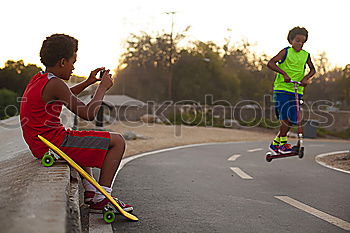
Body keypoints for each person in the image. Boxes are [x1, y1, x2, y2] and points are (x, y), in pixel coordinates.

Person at [20, 33, 133, 213]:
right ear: (62, 62)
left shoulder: (40, 79)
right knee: (118, 141)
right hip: (53, 143)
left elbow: (66, 95)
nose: (74, 67)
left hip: (41, 143)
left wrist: (88, 82)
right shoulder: (56, 84)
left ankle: (90, 191)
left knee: (80, 139)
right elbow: (88, 114)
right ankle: (102, 197)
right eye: (73, 62)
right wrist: (102, 88)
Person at [267, 26, 316, 154]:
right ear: (291, 40)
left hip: (297, 90)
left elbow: (312, 69)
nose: (300, 44)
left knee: (292, 118)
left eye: (303, 42)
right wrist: (284, 74)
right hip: (282, 89)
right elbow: (271, 63)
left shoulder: (306, 55)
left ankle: (276, 143)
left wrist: (306, 78)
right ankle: (283, 143)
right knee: (285, 115)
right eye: (297, 40)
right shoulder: (286, 52)